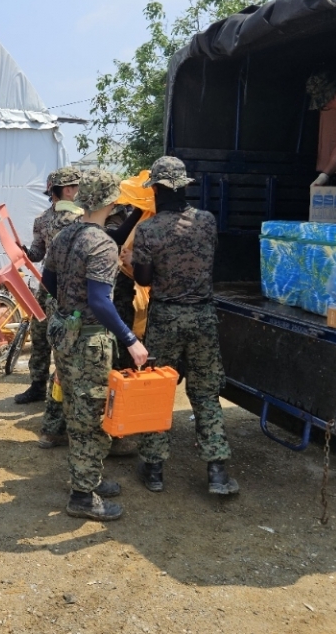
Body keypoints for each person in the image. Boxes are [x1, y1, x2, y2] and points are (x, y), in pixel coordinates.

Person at [126, 156, 239, 497]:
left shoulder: (148, 229)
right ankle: (217, 472)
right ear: (184, 187)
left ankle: (154, 468)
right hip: (203, 316)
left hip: (166, 318)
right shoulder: (206, 221)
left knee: (158, 391)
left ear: (157, 190)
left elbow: (144, 278)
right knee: (205, 393)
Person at [42, 169, 148, 521]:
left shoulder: (64, 234)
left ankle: (88, 476)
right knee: (90, 417)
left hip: (66, 336)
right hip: (88, 342)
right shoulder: (101, 243)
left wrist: (68, 309)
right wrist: (130, 339)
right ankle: (82, 496)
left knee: (76, 409)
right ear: (112, 200)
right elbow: (101, 301)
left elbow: (48, 280)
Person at [15, 168, 82, 417]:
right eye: (75, 187)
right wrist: (21, 250)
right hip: (50, 287)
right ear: (66, 190)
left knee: (65, 341)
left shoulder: (80, 217)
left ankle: (63, 392)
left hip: (68, 289)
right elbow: (37, 254)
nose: (78, 191)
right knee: (40, 335)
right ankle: (37, 385)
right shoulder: (44, 220)